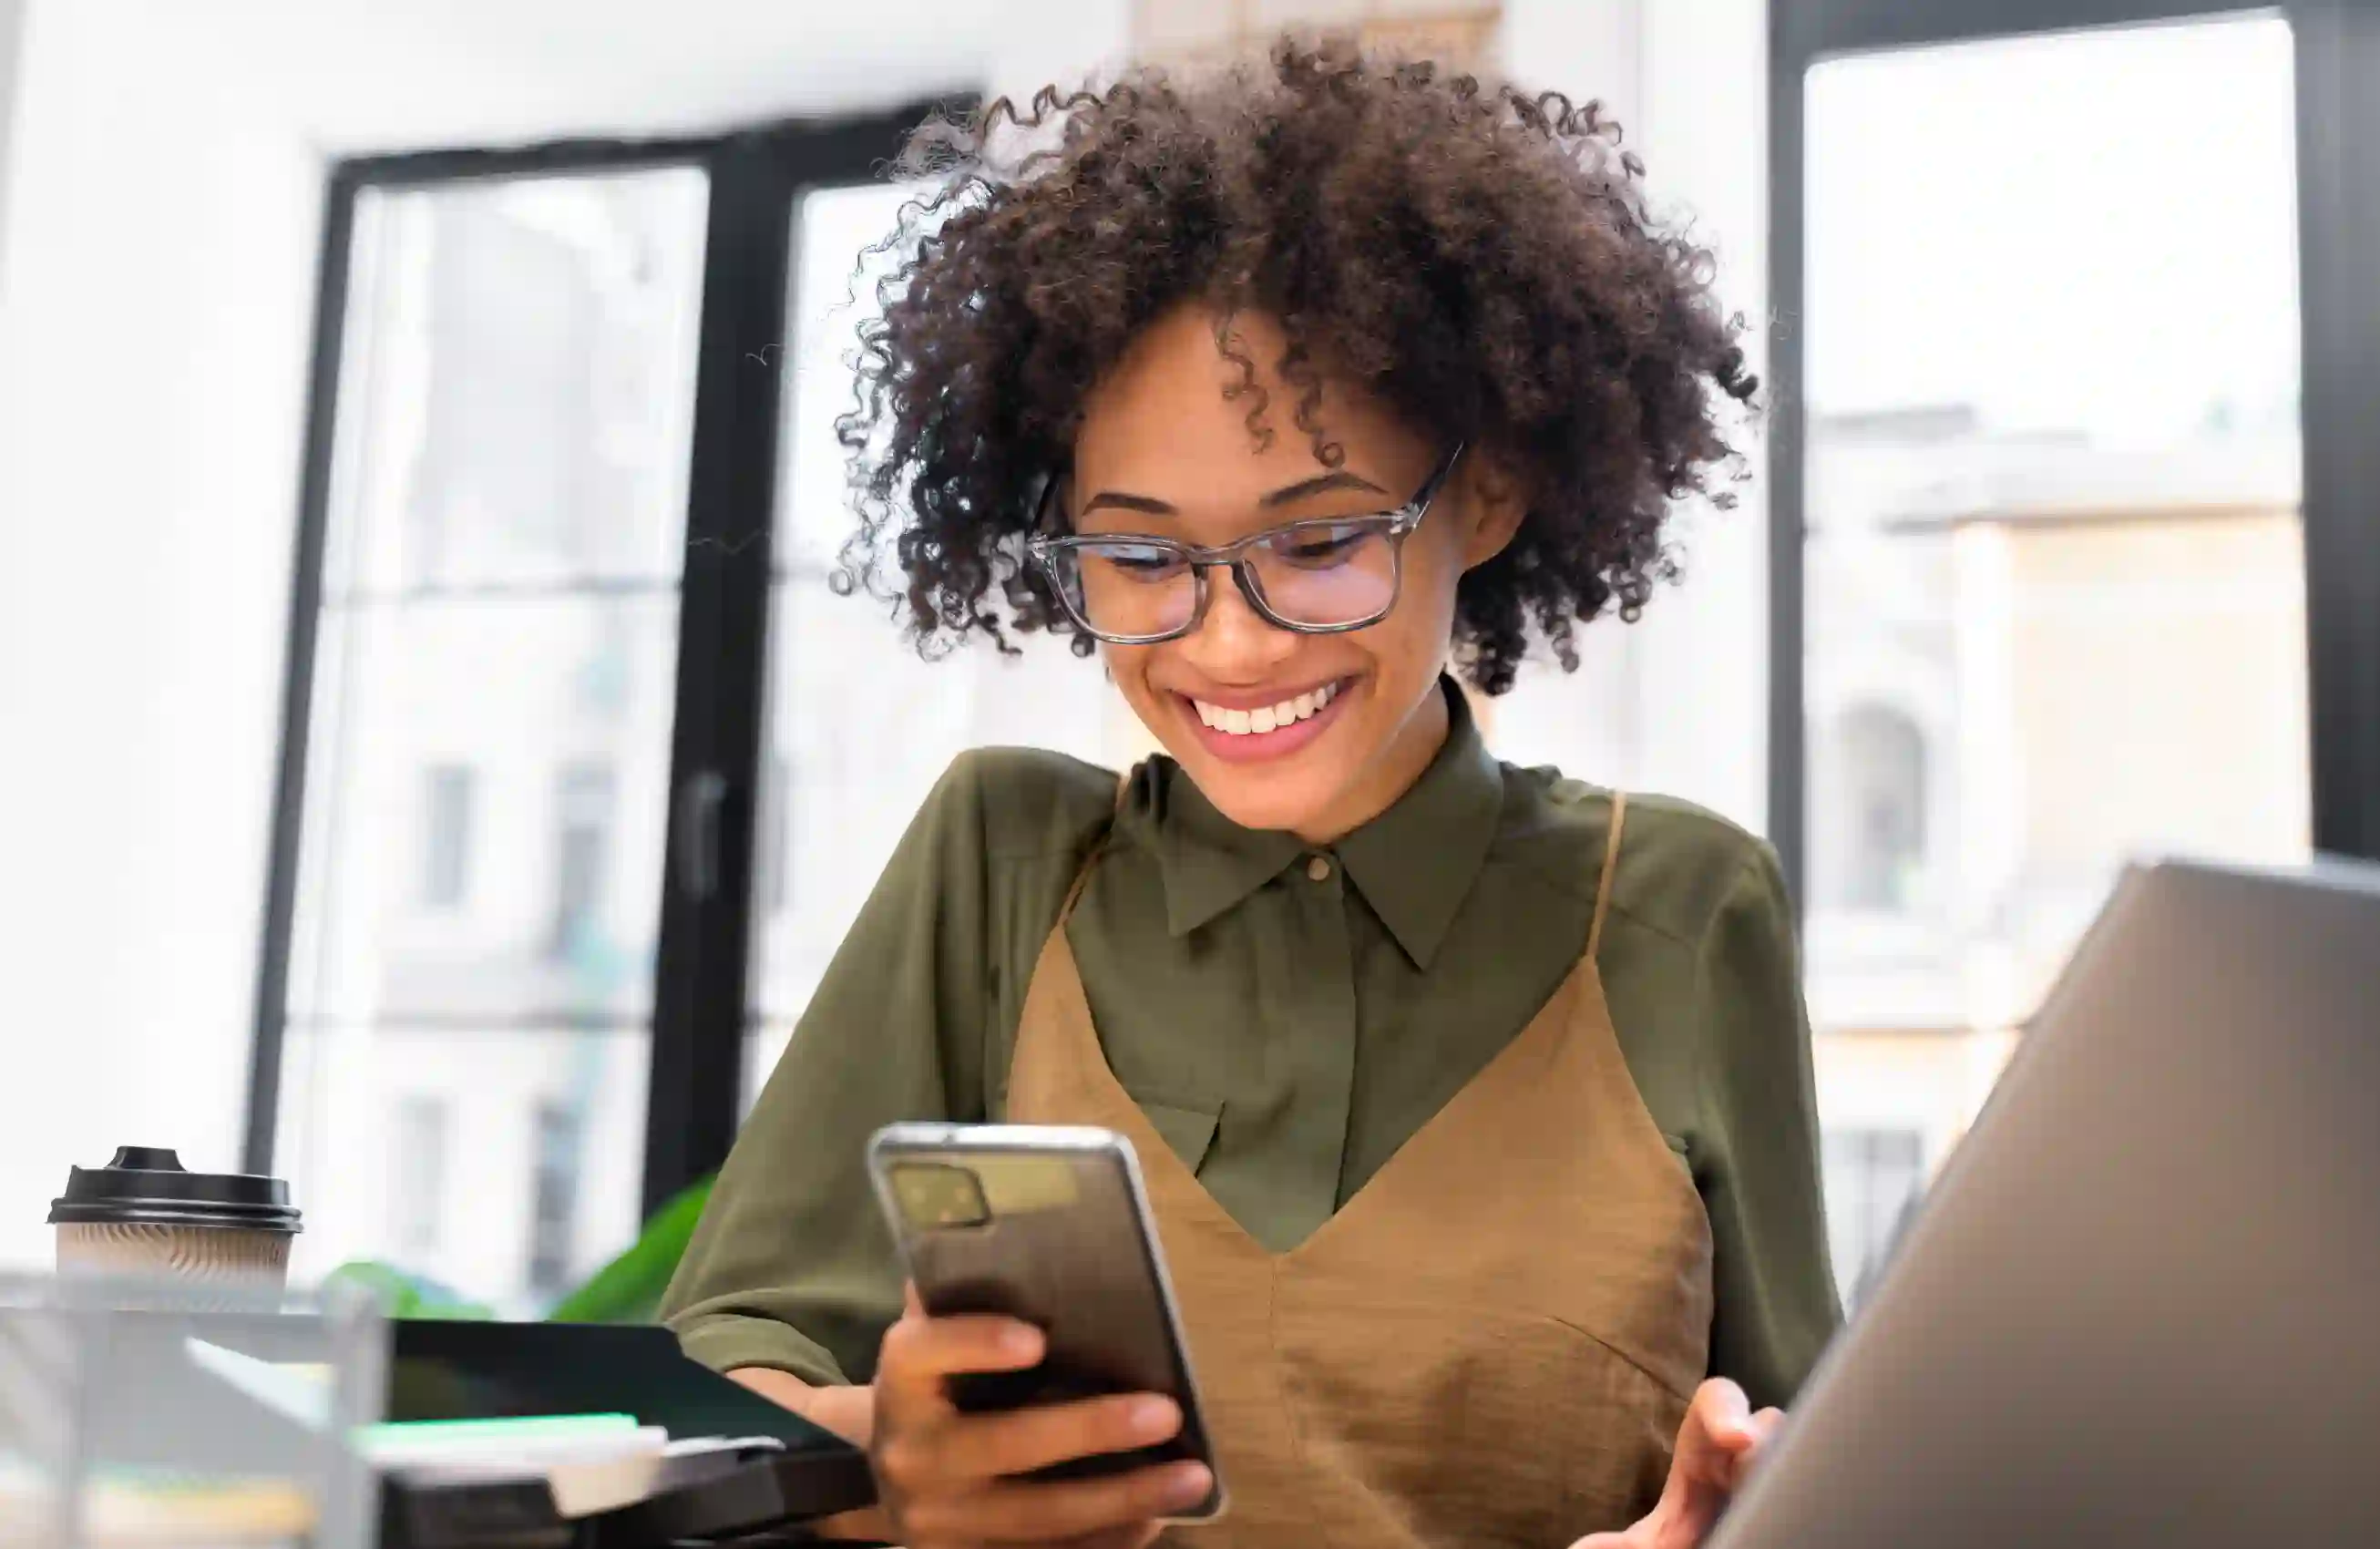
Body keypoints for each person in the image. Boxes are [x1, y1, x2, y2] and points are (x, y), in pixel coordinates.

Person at [663, 35, 1840, 1549]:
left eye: (1318, 543)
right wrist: (881, 1471)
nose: (1228, 642)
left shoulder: (1683, 910)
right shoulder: (1004, 861)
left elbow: (1812, 1470)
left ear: (1485, 494)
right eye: (1142, 558)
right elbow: (714, 1387)